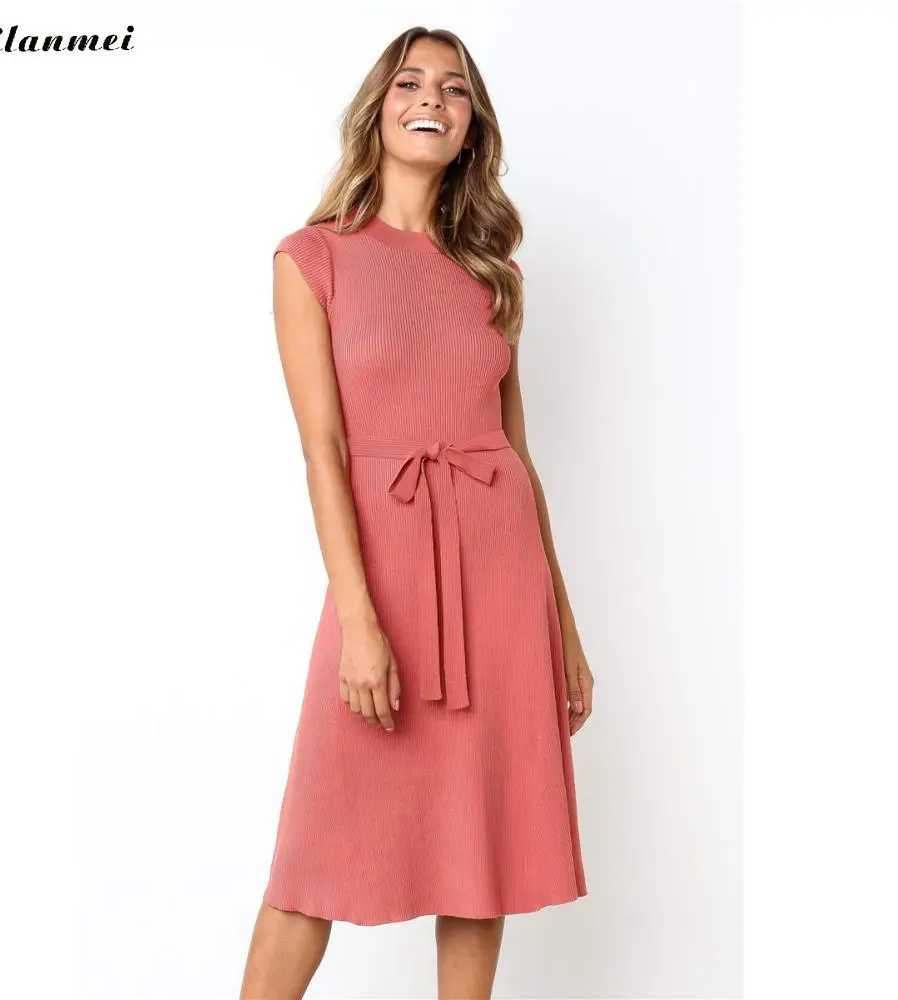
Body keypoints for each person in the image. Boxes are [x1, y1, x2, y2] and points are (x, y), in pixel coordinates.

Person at [240, 25, 595, 1000]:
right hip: (387, 578)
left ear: (472, 124)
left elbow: (517, 458)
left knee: (481, 857)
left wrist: (562, 629)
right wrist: (359, 621)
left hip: (500, 579)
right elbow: (324, 451)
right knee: (310, 858)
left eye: (454, 87)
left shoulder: (494, 278)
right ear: (378, 107)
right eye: (409, 81)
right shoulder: (312, 258)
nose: (431, 97)